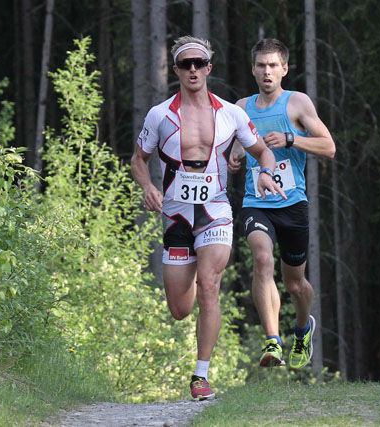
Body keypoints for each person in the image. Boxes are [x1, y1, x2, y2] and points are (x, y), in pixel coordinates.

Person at [131, 35, 285, 400]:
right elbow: (138, 159)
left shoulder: (231, 113)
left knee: (211, 283)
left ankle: (201, 375)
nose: (193, 69)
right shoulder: (160, 115)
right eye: (186, 64)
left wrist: (265, 171)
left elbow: (262, 151)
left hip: (215, 210)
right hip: (177, 216)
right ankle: (195, 277)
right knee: (180, 309)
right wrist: (148, 188)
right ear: (177, 71)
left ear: (209, 69)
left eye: (199, 63)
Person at [228, 38, 335, 370]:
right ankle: (272, 340)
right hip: (256, 202)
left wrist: (290, 138)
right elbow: (233, 146)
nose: (267, 71)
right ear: (253, 69)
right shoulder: (241, 107)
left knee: (294, 284)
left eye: (273, 65)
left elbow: (329, 146)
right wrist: (232, 156)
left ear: (284, 69)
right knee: (262, 258)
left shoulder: (297, 103)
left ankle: (303, 328)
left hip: (292, 205)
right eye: (261, 65)